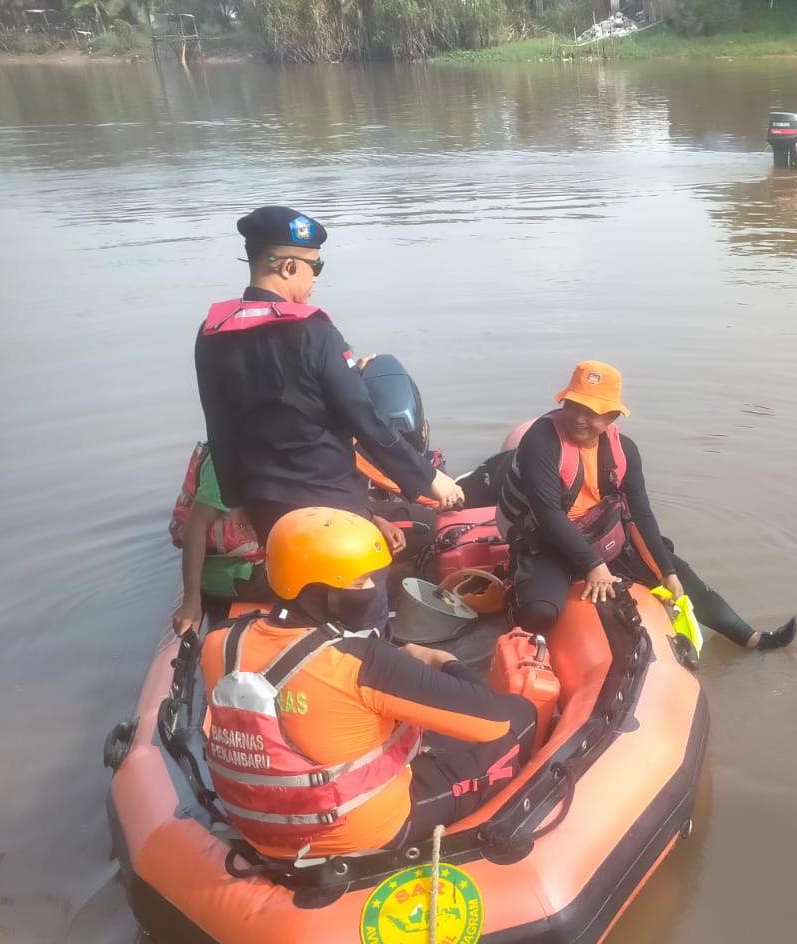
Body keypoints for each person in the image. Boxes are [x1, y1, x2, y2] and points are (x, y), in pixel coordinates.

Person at [200, 507, 538, 861]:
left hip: (258, 827)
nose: (371, 590)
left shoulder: (219, 643)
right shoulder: (363, 662)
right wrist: (446, 663)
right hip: (361, 831)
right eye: (360, 582)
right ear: (319, 589)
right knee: (520, 715)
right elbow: (492, 722)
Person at [193, 205, 464, 554]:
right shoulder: (314, 332)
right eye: (315, 266)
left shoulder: (212, 333)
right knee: (366, 595)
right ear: (288, 267)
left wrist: (235, 498)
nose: (316, 278)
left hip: (268, 512)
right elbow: (367, 420)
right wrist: (429, 478)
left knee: (296, 592)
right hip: (332, 510)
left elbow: (218, 425)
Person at [495, 361, 797, 651]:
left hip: (597, 534)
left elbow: (640, 513)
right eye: (573, 406)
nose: (579, 418)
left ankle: (750, 637)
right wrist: (593, 565)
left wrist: (665, 570)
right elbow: (548, 514)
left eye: (591, 411)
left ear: (612, 416)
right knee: (540, 612)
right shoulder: (541, 442)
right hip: (545, 540)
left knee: (677, 573)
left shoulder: (625, 451)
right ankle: (514, 600)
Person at [169, 442, 274, 637]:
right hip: (233, 575)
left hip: (250, 566)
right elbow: (196, 526)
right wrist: (191, 601)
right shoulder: (228, 462)